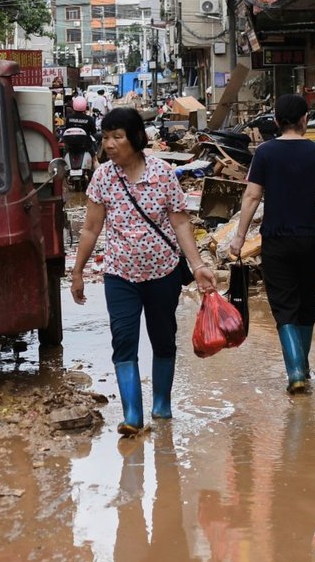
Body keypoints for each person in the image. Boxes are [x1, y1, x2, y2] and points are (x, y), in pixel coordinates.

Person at [71, 107, 216, 434]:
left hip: (164, 273)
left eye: (117, 137)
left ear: (135, 138)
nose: (109, 144)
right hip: (120, 275)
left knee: (163, 339)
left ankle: (161, 406)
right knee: (123, 340)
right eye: (106, 137)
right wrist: (77, 271)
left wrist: (198, 265)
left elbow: (180, 223)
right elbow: (91, 229)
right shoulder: (103, 177)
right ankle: (133, 416)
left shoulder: (163, 174)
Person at [226, 93, 315, 394]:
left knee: (284, 308)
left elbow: (251, 197)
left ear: (275, 121)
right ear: (304, 120)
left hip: (276, 241)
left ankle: (296, 372)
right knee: (307, 306)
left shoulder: (264, 154)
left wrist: (238, 236)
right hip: (311, 241)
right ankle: (302, 366)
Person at [63, 94, 99, 172]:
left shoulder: (69, 118)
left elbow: (67, 129)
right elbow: (93, 132)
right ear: (84, 106)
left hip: (70, 145)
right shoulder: (89, 119)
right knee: (95, 159)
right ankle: (99, 177)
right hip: (85, 145)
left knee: (63, 157)